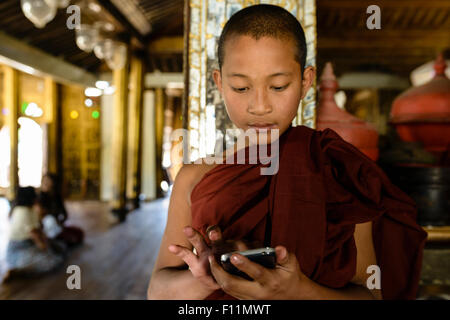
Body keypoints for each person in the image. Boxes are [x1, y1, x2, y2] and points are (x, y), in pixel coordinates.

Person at [147, 4, 427, 300]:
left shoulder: (336, 168)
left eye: (278, 86)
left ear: (306, 81)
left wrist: (299, 291)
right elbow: (157, 292)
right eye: (241, 88)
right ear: (219, 82)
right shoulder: (194, 178)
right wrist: (207, 277)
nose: (259, 106)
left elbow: (371, 295)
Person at [3, 187, 65, 282]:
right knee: (52, 262)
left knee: (59, 250)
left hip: (29, 246)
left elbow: (39, 229)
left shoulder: (30, 209)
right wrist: (46, 249)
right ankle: (17, 271)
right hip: (18, 250)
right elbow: (35, 235)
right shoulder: (22, 211)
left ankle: (21, 269)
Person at [38, 173, 84, 247]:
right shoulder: (39, 197)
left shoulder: (57, 196)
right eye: (44, 181)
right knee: (50, 222)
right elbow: (40, 215)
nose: (46, 183)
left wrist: (60, 222)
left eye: (48, 181)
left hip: (57, 225)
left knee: (78, 233)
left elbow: (64, 213)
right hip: (46, 225)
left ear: (53, 183)